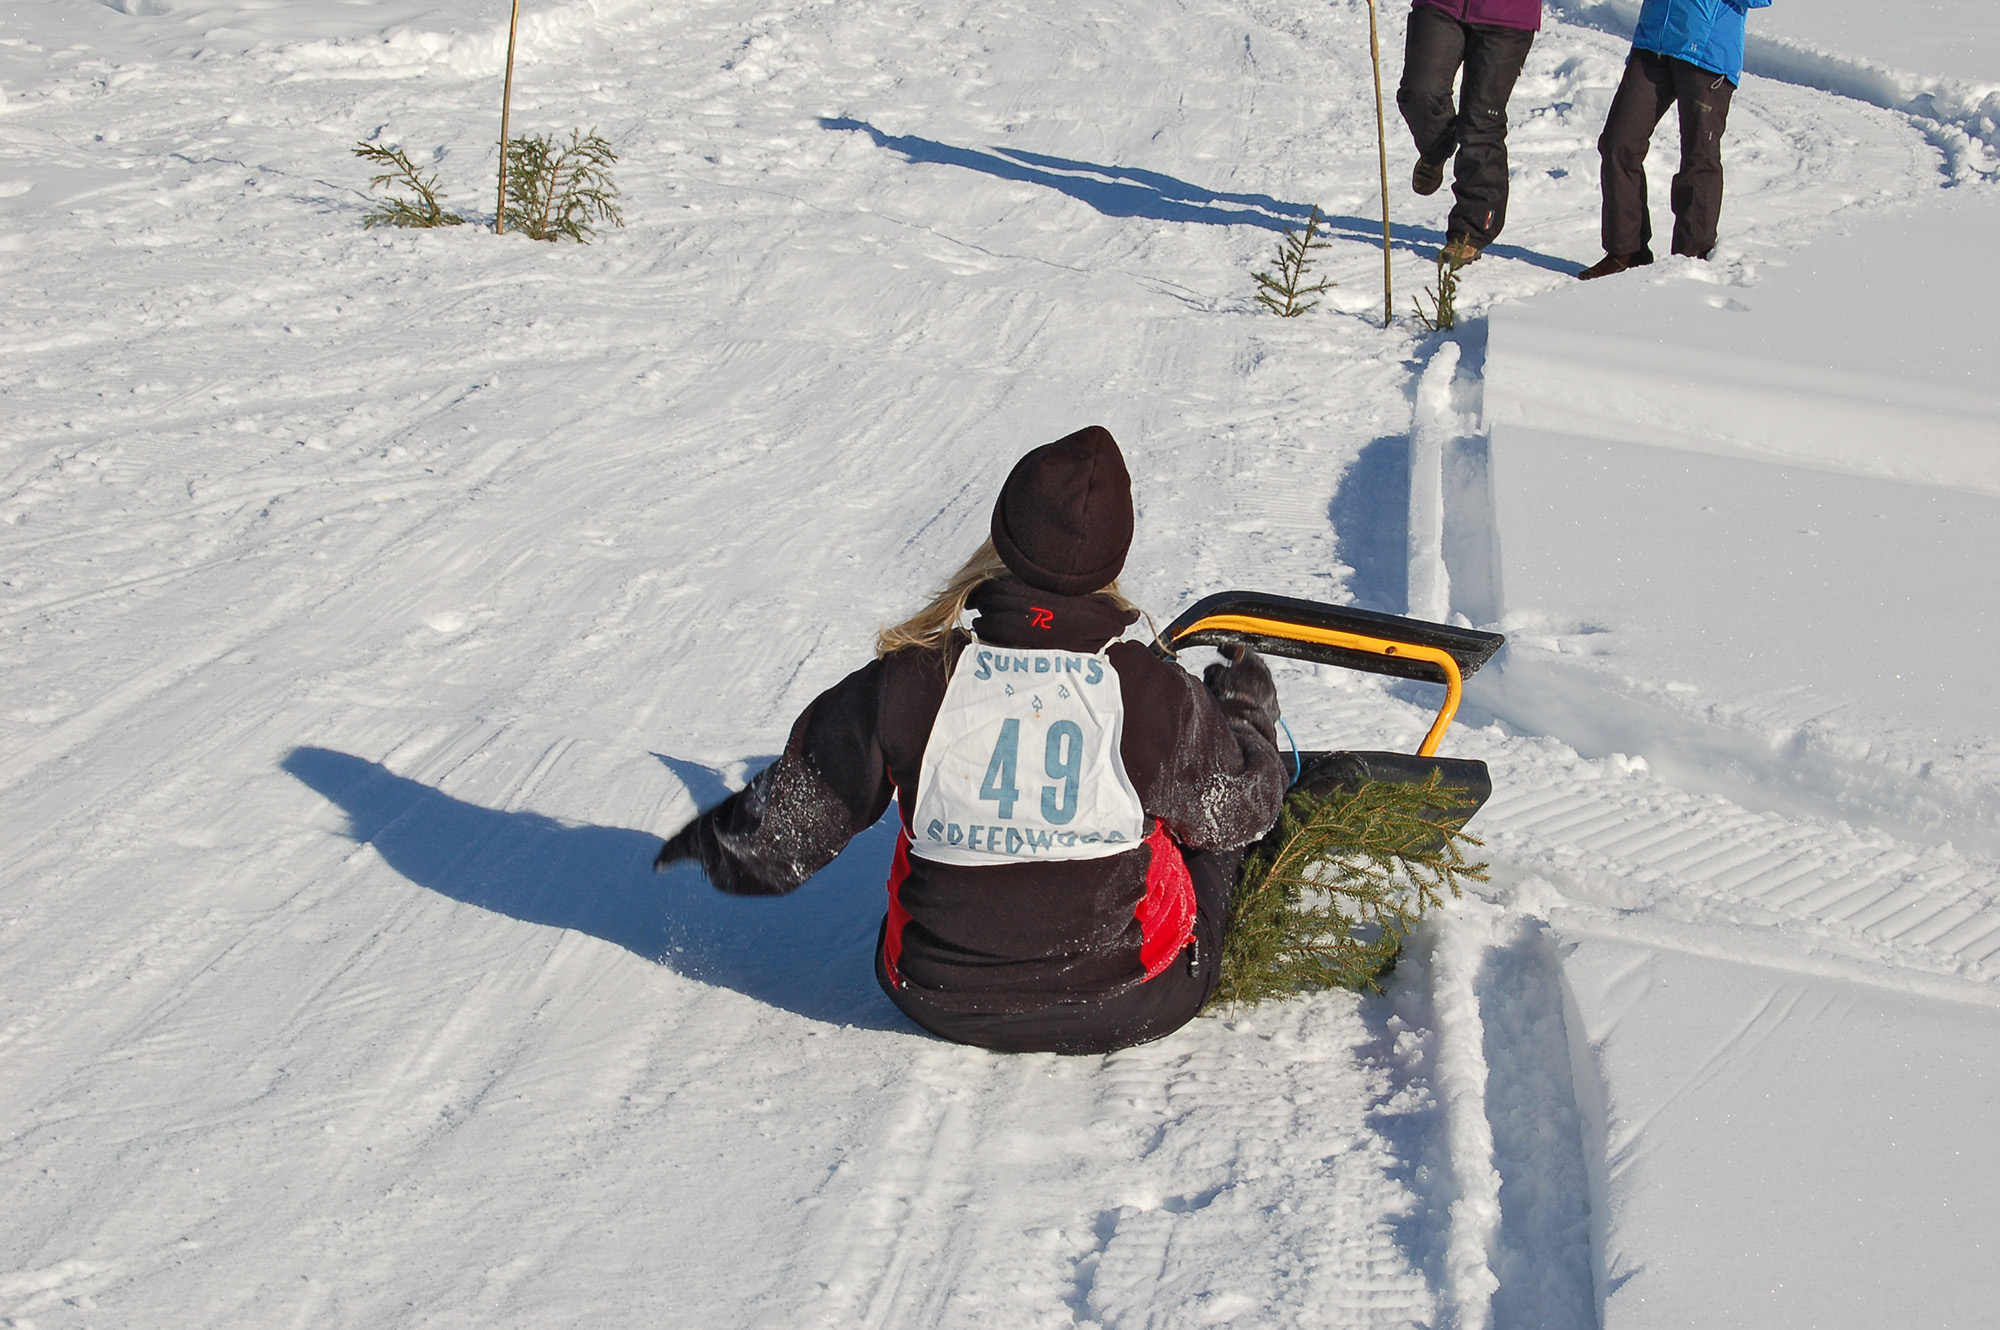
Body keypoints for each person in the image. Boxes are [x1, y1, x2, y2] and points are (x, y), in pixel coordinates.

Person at [654, 426, 1288, 1055]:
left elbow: (787, 832)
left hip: (932, 994)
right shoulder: (1149, 692)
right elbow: (1238, 813)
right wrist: (1244, 720)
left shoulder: (912, 679)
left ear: (1005, 538)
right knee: (1201, 835)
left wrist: (714, 846)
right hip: (1123, 1001)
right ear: (1114, 558)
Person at [1579, 0, 1773, 280]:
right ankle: (1626, 252)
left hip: (1707, 50)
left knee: (1698, 156)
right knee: (1618, 143)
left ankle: (1689, 260)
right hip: (1654, 39)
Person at [1396, 0, 1542, 269]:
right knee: (1419, 93)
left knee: (1481, 124)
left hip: (1507, 17)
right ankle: (1437, 148)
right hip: (1440, 6)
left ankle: (1469, 232)